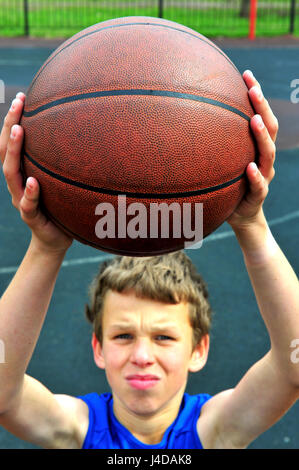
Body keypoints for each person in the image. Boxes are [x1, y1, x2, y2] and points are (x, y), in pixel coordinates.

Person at [0, 70, 298, 449]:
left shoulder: (214, 430)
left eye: (164, 337)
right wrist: (45, 248)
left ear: (198, 349)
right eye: (123, 336)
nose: (142, 356)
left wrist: (253, 226)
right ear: (98, 349)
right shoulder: (77, 431)